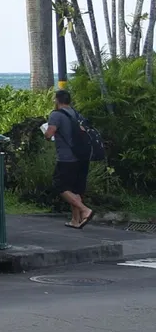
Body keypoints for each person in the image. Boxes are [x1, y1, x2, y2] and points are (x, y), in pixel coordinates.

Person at [43, 89, 94, 229]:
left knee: (60, 186)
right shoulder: (76, 113)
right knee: (75, 189)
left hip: (66, 157)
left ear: (57, 100)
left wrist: (46, 134)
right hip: (81, 156)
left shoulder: (56, 115)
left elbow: (49, 133)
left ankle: (84, 210)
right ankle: (75, 220)